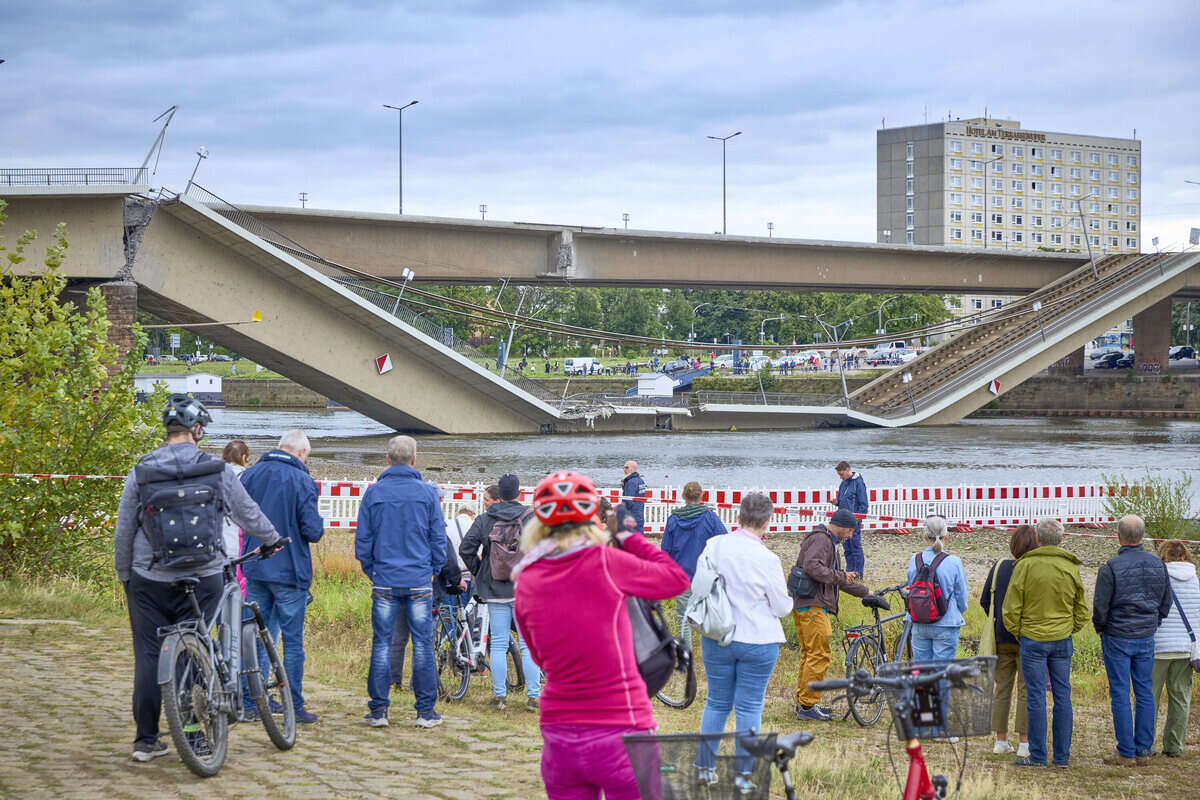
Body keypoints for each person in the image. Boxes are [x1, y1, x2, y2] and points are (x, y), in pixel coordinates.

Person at [114, 395, 281, 762]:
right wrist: (271, 539)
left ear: (167, 431)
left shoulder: (141, 471)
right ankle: (194, 736)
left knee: (147, 655)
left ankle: (145, 740)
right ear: (198, 430)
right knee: (196, 651)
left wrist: (126, 575)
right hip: (203, 577)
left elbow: (124, 530)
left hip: (150, 578)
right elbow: (247, 513)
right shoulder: (217, 471)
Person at [513, 471, 689, 800]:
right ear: (591, 520)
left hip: (560, 733)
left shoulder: (526, 579)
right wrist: (629, 538)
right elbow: (676, 580)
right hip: (623, 726)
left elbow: (538, 656)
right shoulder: (607, 563)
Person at [693, 494, 793, 789]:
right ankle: (742, 776)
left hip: (718, 634)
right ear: (767, 522)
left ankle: (703, 768)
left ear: (738, 517)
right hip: (758, 639)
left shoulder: (715, 546)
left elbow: (699, 584)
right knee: (749, 708)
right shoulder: (767, 558)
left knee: (716, 703)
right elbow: (782, 607)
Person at [355, 435, 446, 728]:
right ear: (414, 460)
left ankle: (379, 710)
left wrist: (374, 570)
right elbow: (437, 538)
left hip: (385, 578)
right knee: (422, 644)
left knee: (382, 643)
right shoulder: (428, 493)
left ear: (387, 459)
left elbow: (363, 541)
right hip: (419, 577)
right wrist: (433, 568)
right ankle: (424, 711)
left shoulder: (374, 493)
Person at [240, 429, 325, 725]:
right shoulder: (303, 481)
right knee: (291, 641)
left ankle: (250, 701)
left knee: (253, 635)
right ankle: (294, 703)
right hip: (290, 571)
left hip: (255, 566)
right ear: (301, 453)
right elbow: (313, 531)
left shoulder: (250, 475)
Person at [1002, 517, 1088, 768]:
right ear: (1061, 539)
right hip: (1061, 639)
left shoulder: (1026, 566)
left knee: (1036, 696)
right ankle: (1061, 756)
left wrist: (1019, 632)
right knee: (1063, 696)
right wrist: (1069, 628)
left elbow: (1010, 608)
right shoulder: (1069, 567)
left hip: (1033, 638)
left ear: (1038, 539)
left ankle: (1038, 755)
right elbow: (1081, 608)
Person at [1092, 514, 1172, 767]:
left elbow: (1100, 606)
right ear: (1142, 537)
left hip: (1117, 634)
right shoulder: (1158, 564)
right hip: (1145, 633)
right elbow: (1165, 601)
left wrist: (1102, 627)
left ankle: (1126, 751)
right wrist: (1153, 621)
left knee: (1120, 693)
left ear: (1118, 536)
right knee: (1144, 692)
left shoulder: (1111, 567)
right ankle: (1144, 749)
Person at [460, 474, 543, 711]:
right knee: (527, 644)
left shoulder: (486, 519)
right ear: (518, 493)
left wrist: (480, 570)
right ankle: (534, 696)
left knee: (497, 643)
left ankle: (499, 696)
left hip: (495, 588)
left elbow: (466, 548)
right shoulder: (530, 517)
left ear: (500, 495)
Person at [791, 508, 869, 721]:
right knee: (818, 654)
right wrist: (840, 575)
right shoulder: (822, 541)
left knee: (810, 654)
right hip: (813, 606)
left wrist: (865, 593)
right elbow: (812, 567)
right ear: (842, 526)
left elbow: (835, 579)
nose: (851, 535)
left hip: (808, 605)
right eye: (851, 531)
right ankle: (808, 706)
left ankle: (805, 703)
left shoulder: (826, 542)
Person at [980, 524, 1038, 757]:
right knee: (1026, 690)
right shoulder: (1033, 568)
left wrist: (997, 623)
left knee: (1001, 688)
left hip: (1001, 636)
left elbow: (985, 600)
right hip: (1026, 635)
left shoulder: (999, 567)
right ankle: (1024, 742)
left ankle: (1000, 740)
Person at [660, 481, 726, 652]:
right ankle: (712, 652)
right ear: (702, 496)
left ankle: (687, 655)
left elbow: (665, 550)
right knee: (710, 614)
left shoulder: (674, 519)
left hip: (681, 574)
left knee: (683, 617)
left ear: (683, 496)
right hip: (705, 574)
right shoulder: (710, 517)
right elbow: (723, 541)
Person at [1151, 539, 1200, 758]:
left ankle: (1145, 744)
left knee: (1149, 697)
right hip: (1185, 647)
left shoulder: (1158, 576)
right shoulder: (1195, 580)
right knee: (1180, 698)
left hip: (1158, 646)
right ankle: (1174, 745)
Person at [905, 516, 968, 660]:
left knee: (922, 674)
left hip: (919, 621)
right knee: (941, 674)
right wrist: (956, 611)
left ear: (924, 536)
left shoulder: (915, 560)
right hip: (947, 622)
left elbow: (910, 589)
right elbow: (962, 597)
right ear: (947, 536)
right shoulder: (954, 562)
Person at [220, 439, 251, 596]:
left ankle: (220, 621)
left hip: (216, 547)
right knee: (239, 593)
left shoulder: (214, 477)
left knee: (220, 595)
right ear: (244, 457)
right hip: (238, 547)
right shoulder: (248, 478)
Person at [834, 461, 868, 577]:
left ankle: (858, 572)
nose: (841, 477)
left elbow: (863, 504)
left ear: (848, 470)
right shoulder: (843, 483)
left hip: (854, 521)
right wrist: (837, 502)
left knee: (855, 546)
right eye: (839, 475)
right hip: (843, 520)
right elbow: (843, 501)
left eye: (842, 475)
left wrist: (857, 519)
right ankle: (850, 571)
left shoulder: (858, 483)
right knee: (846, 546)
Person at [621, 460, 646, 533]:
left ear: (632, 469)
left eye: (626, 468)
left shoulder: (631, 482)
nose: (624, 470)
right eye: (624, 468)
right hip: (639, 512)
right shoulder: (641, 480)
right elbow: (637, 494)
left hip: (632, 514)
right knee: (639, 534)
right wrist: (624, 486)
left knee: (631, 537)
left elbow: (628, 499)